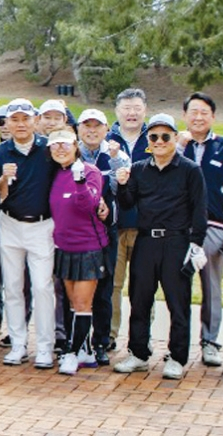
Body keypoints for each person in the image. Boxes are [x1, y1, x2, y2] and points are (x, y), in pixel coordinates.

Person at [112, 113, 207, 380]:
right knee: (140, 299)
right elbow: (128, 203)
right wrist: (122, 184)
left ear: (175, 138)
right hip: (146, 241)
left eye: (166, 136)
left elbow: (200, 210)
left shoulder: (190, 170)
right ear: (148, 141)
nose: (160, 141)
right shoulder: (140, 169)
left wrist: (196, 245)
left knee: (178, 303)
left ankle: (177, 357)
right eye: (154, 137)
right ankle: (139, 354)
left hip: (177, 242)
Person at [0, 99, 58, 369]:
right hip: (10, 224)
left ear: (35, 120)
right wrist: (3, 179)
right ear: (7, 123)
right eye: (14, 119)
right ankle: (18, 344)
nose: (20, 124)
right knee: (13, 287)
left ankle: (44, 347)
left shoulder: (47, 149)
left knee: (42, 287)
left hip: (42, 225)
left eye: (25, 119)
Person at [177, 92, 223, 367]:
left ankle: (210, 342)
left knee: (212, 287)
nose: (198, 116)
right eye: (193, 111)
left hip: (214, 228)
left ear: (213, 116)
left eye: (204, 111)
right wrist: (179, 146)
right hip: (180, 228)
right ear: (185, 116)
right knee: (177, 287)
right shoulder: (175, 145)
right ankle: (178, 344)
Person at [45, 129, 109, 375]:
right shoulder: (56, 174)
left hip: (88, 246)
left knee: (83, 303)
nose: (60, 149)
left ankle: (72, 353)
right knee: (73, 303)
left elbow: (90, 205)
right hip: (64, 246)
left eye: (65, 144)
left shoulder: (90, 171)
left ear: (75, 145)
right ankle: (87, 353)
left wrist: (80, 182)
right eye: (55, 146)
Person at [77, 108, 128, 367]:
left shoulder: (116, 154)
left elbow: (123, 188)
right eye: (87, 125)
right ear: (78, 129)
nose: (92, 130)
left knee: (104, 291)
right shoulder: (70, 153)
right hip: (76, 233)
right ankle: (77, 342)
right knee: (77, 290)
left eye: (97, 126)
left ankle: (100, 343)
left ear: (107, 129)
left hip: (106, 231)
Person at [106, 88, 149, 341]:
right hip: (115, 224)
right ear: (117, 111)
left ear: (145, 110)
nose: (131, 113)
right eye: (126, 108)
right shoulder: (107, 138)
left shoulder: (155, 138)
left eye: (137, 108)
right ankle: (109, 336)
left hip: (146, 226)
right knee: (113, 285)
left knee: (143, 286)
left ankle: (142, 338)